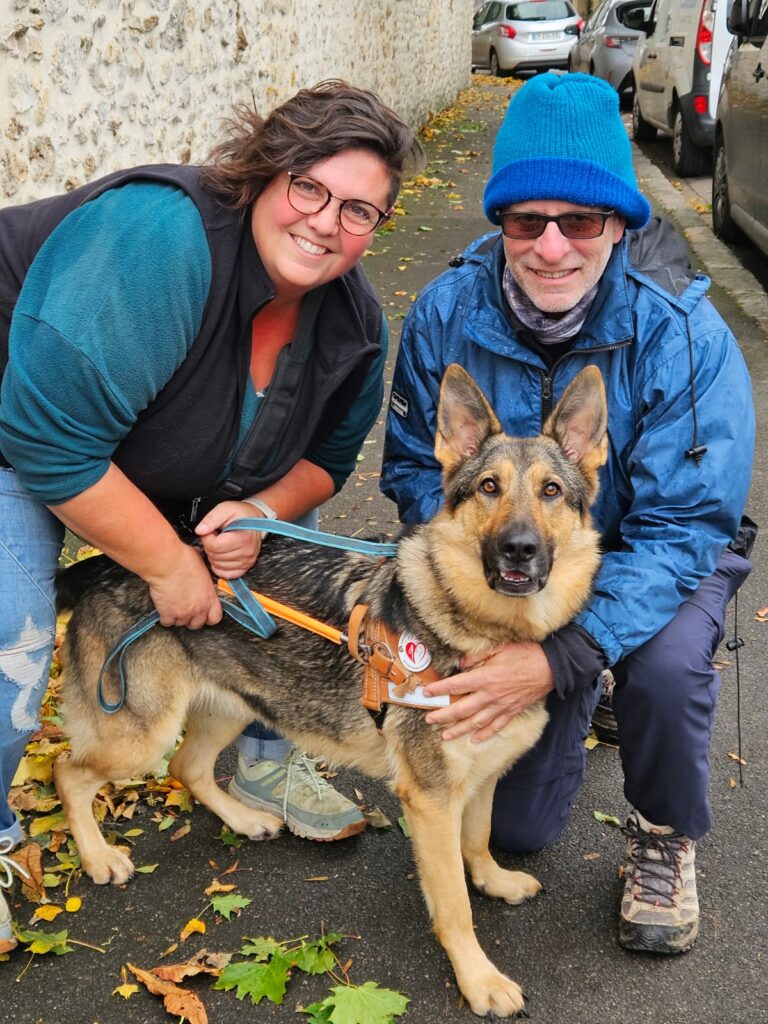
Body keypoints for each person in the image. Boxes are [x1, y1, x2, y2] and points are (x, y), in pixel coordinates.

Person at [0, 80, 422, 951]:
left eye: (358, 210)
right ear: (265, 170)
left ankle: (261, 761)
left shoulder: (354, 326)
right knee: (15, 632)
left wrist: (260, 511)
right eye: (308, 187)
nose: (325, 223)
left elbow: (326, 463)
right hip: (23, 425)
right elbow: (49, 444)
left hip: (145, 445)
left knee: (278, 580)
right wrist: (168, 564)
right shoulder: (163, 241)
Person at [381, 72, 755, 955]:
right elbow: (414, 472)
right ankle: (586, 687)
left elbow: (684, 529)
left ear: (618, 223)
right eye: (526, 221)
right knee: (515, 832)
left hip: (651, 551)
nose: (551, 247)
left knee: (665, 665)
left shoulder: (684, 334)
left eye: (580, 221)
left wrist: (563, 651)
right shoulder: (444, 312)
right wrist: (471, 590)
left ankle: (663, 831)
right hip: (507, 563)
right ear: (501, 223)